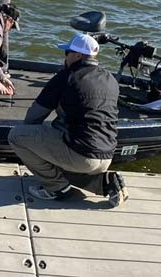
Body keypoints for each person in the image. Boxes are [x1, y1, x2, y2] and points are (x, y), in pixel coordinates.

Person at [7, 33, 129, 207]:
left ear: (77, 56)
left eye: (67, 53)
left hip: (81, 155)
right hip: (107, 154)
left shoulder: (66, 77)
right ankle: (106, 182)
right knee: (65, 149)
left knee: (17, 136)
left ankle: (56, 188)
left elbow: (33, 118)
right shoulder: (110, 79)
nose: (64, 57)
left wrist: (39, 148)